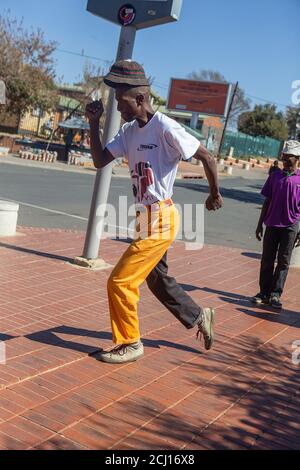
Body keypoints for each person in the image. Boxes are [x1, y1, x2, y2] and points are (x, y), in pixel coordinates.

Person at [85, 60, 223, 364]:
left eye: (121, 102)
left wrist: (214, 194)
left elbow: (207, 158)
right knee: (157, 280)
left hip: (161, 218)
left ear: (139, 99)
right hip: (143, 218)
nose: (119, 109)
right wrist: (94, 123)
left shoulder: (166, 128)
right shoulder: (129, 132)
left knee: (120, 281)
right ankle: (200, 316)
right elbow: (99, 161)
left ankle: (130, 343)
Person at [252, 140, 300, 310]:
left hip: (291, 226)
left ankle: (275, 294)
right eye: (283, 157)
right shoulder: (275, 176)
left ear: (297, 159)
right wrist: (259, 224)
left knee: (283, 261)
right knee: (267, 259)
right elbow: (267, 201)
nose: (285, 161)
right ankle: (264, 292)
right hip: (272, 224)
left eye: (289, 158)